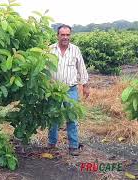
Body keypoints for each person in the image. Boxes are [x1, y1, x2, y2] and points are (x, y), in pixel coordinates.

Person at [48, 24, 89, 156]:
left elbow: (81, 67)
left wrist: (85, 85)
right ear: (57, 35)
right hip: (53, 90)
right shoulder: (50, 50)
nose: (65, 37)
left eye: (68, 35)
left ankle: (73, 145)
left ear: (70, 35)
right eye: (62, 35)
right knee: (53, 116)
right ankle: (51, 143)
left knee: (72, 117)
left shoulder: (75, 50)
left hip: (71, 89)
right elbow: (44, 69)